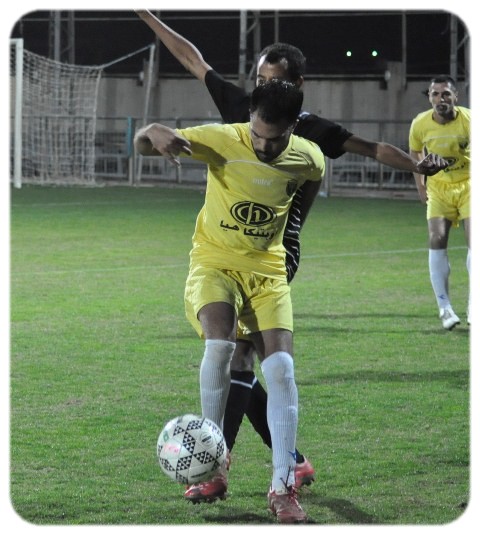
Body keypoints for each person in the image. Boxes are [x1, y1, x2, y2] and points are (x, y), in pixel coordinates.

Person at [135, 9, 448, 502]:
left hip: (274, 254)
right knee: (241, 359)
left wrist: (416, 164)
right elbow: (192, 59)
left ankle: (224, 466)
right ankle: (281, 461)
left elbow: (371, 148)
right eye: (260, 79)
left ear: (297, 86)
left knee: (245, 358)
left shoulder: (310, 134)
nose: (262, 88)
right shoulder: (243, 109)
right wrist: (146, 14)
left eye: (273, 80)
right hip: (226, 248)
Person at [135, 80, 325, 523]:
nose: (262, 145)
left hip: (267, 271)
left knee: (281, 369)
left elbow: (308, 188)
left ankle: (283, 487)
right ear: (250, 121)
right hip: (214, 262)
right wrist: (151, 131)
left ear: (294, 127)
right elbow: (144, 144)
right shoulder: (221, 140)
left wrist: (291, 234)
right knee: (220, 346)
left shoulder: (309, 157)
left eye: (274, 139)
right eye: (256, 134)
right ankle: (214, 463)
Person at [409, 75, 470, 329]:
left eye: (446, 94)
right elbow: (415, 152)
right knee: (436, 238)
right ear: (429, 98)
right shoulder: (420, 123)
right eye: (435, 94)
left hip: (469, 184)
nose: (440, 99)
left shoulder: (469, 120)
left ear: (456, 96)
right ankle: (445, 308)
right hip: (439, 187)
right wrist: (421, 185)